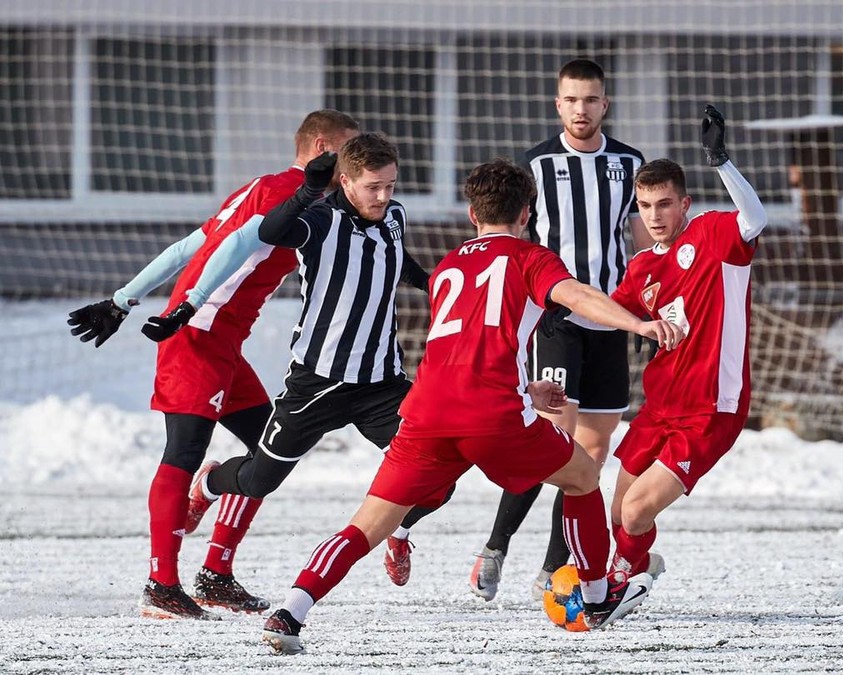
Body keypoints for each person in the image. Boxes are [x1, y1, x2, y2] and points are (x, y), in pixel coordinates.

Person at [259, 158, 683, 654]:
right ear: (527, 213)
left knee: (366, 524)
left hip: (426, 413)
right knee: (582, 475)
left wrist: (526, 392)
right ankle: (595, 596)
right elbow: (577, 295)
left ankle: (290, 611)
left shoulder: (447, 268)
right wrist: (639, 325)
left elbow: (467, 355)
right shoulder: (531, 257)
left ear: (470, 214)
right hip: (492, 418)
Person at [66, 110, 361, 621]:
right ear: (321, 147)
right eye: (349, 152)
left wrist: (122, 300)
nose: (354, 164)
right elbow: (229, 249)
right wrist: (180, 307)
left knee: (271, 450)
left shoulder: (267, 188)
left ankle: (215, 574)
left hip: (221, 342)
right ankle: (161, 585)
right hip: (196, 337)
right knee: (183, 449)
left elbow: (189, 245)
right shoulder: (284, 194)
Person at [152, 132, 449, 592]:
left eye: (391, 185)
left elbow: (393, 257)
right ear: (346, 181)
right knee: (257, 480)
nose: (384, 196)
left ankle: (400, 532)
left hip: (382, 384)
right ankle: (211, 484)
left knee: (440, 476)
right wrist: (307, 191)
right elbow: (270, 231)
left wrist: (431, 283)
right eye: (373, 186)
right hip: (318, 382)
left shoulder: (394, 215)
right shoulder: (320, 220)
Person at [470, 58, 651, 602]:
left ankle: (552, 567)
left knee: (590, 456)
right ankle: (497, 545)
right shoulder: (536, 166)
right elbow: (519, 240)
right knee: (548, 442)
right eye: (571, 100)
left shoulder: (629, 162)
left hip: (609, 325)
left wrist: (650, 297)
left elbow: (643, 238)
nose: (581, 109)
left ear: (604, 104)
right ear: (558, 104)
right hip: (556, 323)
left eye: (590, 99)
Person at [603, 106, 767, 592]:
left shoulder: (715, 234)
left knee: (635, 513)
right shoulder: (639, 268)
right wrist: (554, 305)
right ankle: (638, 565)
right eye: (646, 206)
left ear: (685, 204)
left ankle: (620, 584)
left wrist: (721, 160)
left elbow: (754, 217)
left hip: (711, 407)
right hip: (660, 407)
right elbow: (608, 313)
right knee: (619, 515)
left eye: (665, 204)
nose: (654, 216)